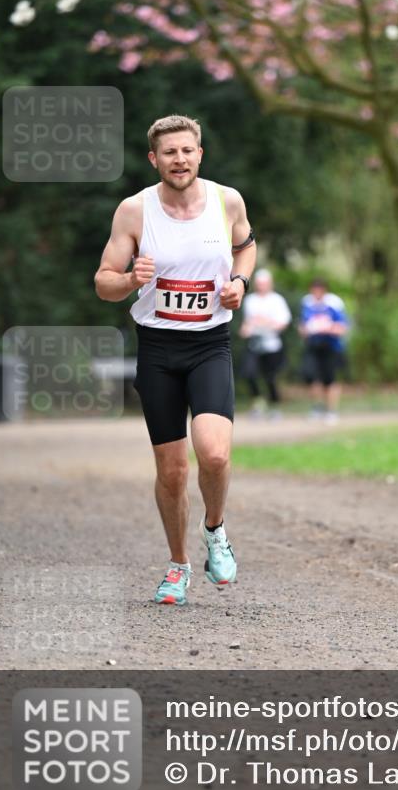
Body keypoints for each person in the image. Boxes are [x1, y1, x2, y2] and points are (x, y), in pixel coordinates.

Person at [94, 114, 256, 606]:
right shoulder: (134, 211)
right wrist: (130, 280)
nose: (179, 160)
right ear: (154, 159)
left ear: (199, 154)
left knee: (214, 454)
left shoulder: (227, 201)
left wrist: (240, 283)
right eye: (169, 153)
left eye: (187, 151)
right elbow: (103, 281)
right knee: (172, 471)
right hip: (158, 349)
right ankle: (178, 566)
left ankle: (215, 530)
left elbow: (246, 247)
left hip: (210, 344)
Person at [239, 269, 291, 418]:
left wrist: (266, 323)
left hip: (271, 345)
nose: (261, 286)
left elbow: (283, 323)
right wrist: (245, 329)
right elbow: (248, 322)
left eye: (264, 283)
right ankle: (258, 403)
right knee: (249, 373)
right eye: (259, 284)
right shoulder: (250, 300)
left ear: (270, 284)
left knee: (270, 377)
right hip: (254, 344)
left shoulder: (277, 300)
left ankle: (275, 406)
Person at [298, 279, 349, 423]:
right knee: (311, 376)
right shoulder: (307, 303)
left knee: (330, 379)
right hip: (313, 346)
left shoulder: (334, 304)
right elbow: (302, 326)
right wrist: (306, 330)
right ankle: (317, 408)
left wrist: (327, 328)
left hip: (331, 347)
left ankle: (331, 411)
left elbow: (342, 328)